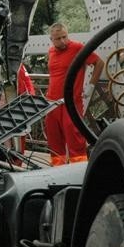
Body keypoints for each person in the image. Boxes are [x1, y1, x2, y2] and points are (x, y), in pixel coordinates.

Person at [45, 22, 105, 166]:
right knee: (54, 141)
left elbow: (99, 63)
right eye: (58, 39)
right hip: (52, 103)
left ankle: (78, 173)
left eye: (64, 37)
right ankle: (57, 172)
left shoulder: (77, 48)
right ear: (51, 39)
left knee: (75, 140)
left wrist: (91, 85)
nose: (63, 41)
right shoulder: (51, 51)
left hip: (71, 102)